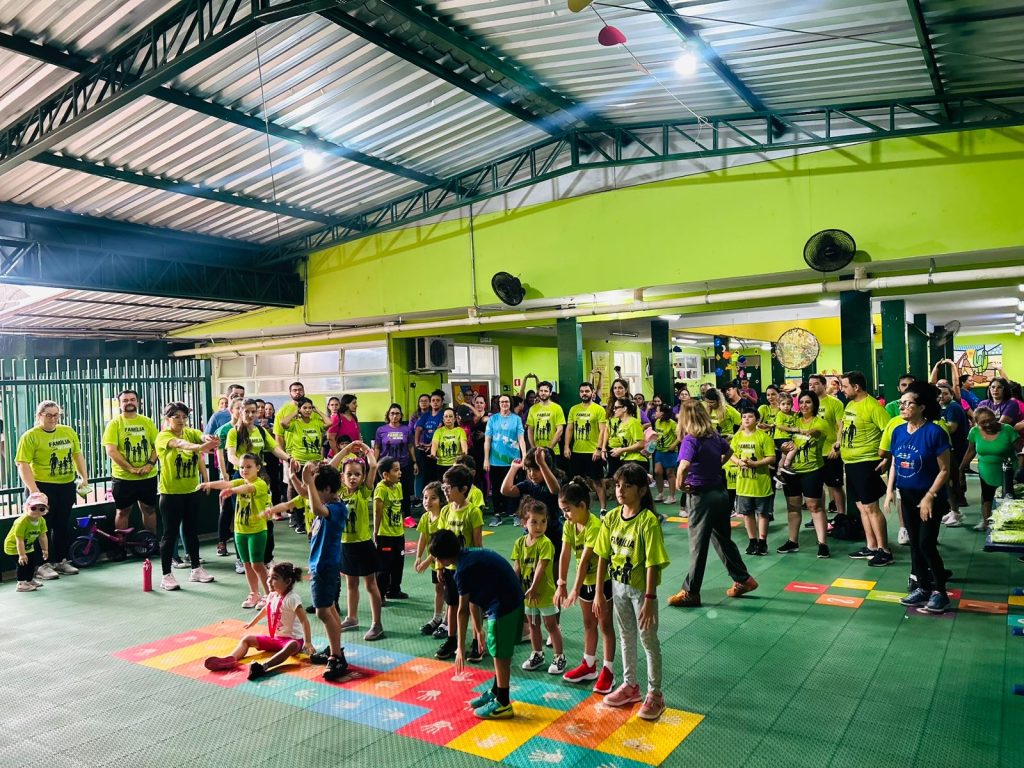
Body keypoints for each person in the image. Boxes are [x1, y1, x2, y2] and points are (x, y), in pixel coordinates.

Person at [593, 463, 670, 720]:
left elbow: (652, 561)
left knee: (648, 639)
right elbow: (603, 554)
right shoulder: (612, 517)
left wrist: (650, 598)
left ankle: (655, 693)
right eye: (617, 485)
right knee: (626, 636)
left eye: (627, 486)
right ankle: (630, 686)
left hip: (641, 591)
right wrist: (598, 594)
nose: (620, 490)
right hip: (618, 587)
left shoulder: (648, 522)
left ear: (641, 491)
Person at [669, 400, 758, 608]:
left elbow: (683, 468)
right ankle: (744, 580)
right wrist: (716, 465)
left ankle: (691, 592)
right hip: (720, 494)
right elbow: (729, 452)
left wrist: (681, 486)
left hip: (701, 497)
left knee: (698, 545)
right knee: (723, 540)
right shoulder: (715, 437)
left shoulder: (691, 440)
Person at [429, 528, 525, 720]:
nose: (437, 562)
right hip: (511, 600)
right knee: (499, 650)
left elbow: (462, 610)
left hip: (505, 605)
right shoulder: (468, 557)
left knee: (500, 654)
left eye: (436, 558)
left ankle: (503, 703)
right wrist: (479, 629)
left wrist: (460, 649)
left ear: (444, 558)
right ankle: (497, 691)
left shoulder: (462, 571)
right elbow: (473, 600)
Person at [885, 382, 952, 614]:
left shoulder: (935, 432)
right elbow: (895, 462)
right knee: (915, 544)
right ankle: (922, 587)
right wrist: (889, 491)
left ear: (922, 407)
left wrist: (930, 497)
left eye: (907, 403)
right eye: (901, 403)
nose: (902, 407)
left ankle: (940, 592)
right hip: (907, 495)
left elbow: (944, 470)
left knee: (926, 543)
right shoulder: (898, 431)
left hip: (930, 497)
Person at [15, 400, 89, 580]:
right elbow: (22, 463)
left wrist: (84, 477)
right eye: (49, 415)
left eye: (56, 415)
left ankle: (61, 561)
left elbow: (77, 455)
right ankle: (41, 565)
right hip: (42, 486)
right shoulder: (30, 436)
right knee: (41, 527)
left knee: (62, 525)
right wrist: (34, 491)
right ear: (39, 416)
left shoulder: (68, 431)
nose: (53, 419)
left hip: (65, 485)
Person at [555, 477, 615, 694]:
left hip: (602, 582)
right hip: (585, 583)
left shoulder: (595, 526)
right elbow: (565, 553)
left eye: (568, 509)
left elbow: (587, 560)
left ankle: (608, 670)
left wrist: (574, 588)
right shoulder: (570, 525)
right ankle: (589, 665)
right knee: (588, 623)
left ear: (582, 506)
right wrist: (561, 583)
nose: (565, 515)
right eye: (563, 510)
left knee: (605, 625)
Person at [204, 562, 315, 679]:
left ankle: (263, 666)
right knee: (247, 639)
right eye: (269, 577)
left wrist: (307, 642)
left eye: (274, 578)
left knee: (291, 645)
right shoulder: (272, 595)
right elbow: (267, 609)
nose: (269, 581)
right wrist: (253, 622)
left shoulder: (292, 598)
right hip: (276, 639)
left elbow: (304, 620)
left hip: (293, 641)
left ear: (287, 582)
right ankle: (230, 659)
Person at [155, 402, 218, 591]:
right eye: (176, 417)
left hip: (191, 492)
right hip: (171, 494)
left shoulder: (190, 431)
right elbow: (181, 444)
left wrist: (208, 438)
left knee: (191, 532)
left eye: (184, 417)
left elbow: (201, 436)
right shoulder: (163, 436)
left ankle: (196, 569)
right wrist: (201, 446)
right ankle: (166, 575)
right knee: (170, 534)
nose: (181, 420)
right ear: (167, 419)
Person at [227, 399, 296, 567]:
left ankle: (267, 558)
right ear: (240, 412)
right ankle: (241, 560)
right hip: (241, 479)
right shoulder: (233, 433)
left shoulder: (261, 431)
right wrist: (245, 468)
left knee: (266, 518)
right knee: (242, 520)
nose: (250, 415)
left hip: (261, 480)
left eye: (253, 411)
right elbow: (231, 455)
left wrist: (289, 458)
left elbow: (274, 449)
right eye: (247, 412)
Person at [298, 461, 349, 681]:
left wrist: (309, 481)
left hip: (325, 566)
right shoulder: (329, 503)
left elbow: (315, 506)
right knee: (330, 609)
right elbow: (309, 497)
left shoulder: (336, 509)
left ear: (327, 490)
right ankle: (335, 648)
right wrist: (296, 478)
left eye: (317, 488)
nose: (314, 493)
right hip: (322, 565)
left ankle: (336, 657)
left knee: (322, 612)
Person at [838, 371, 895, 566]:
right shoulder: (851, 404)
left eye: (844, 386)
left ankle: (884, 550)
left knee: (871, 507)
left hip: (866, 462)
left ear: (856, 387)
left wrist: (887, 458)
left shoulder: (873, 407)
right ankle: (871, 546)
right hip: (851, 463)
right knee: (861, 506)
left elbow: (890, 433)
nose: (841, 389)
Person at [200, 453, 271, 607]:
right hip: (240, 531)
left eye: (248, 467)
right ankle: (254, 594)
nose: (244, 470)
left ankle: (268, 595)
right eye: (241, 467)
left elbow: (247, 488)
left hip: (257, 531)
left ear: (258, 468)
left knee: (257, 565)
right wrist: (208, 484)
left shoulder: (260, 484)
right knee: (246, 564)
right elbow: (226, 483)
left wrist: (232, 491)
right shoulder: (239, 480)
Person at [328, 441, 382, 641]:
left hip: (363, 544)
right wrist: (346, 450)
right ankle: (352, 617)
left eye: (357, 474)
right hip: (345, 544)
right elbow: (330, 468)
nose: (352, 477)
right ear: (342, 477)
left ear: (362, 478)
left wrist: (366, 450)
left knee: (370, 584)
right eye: (349, 474)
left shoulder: (363, 492)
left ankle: (377, 623)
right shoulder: (338, 493)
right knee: (351, 583)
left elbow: (374, 466)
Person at [434, 464, 484, 660]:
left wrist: (477, 568)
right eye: (444, 487)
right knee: (452, 604)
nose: (445, 491)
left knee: (472, 606)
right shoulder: (446, 511)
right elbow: (438, 539)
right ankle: (452, 639)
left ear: (463, 489)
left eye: (449, 487)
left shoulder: (473, 512)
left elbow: (478, 544)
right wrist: (439, 564)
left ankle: (476, 641)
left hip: (468, 568)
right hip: (449, 568)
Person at [513, 499, 565, 675]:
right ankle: (537, 654)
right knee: (533, 624)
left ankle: (559, 657)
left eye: (543, 521)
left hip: (544, 593)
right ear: (524, 523)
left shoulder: (546, 544)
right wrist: (515, 587)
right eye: (533, 522)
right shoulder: (520, 543)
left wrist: (534, 588)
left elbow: (542, 567)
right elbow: (517, 567)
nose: (538, 526)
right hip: (528, 593)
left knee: (551, 626)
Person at [777, 392, 831, 558]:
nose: (804, 405)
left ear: (814, 404)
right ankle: (793, 541)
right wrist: (783, 447)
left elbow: (814, 432)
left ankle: (823, 544)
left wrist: (801, 431)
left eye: (808, 402)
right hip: (792, 471)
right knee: (792, 506)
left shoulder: (820, 422)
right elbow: (783, 438)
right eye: (801, 402)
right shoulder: (793, 420)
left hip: (812, 469)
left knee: (814, 506)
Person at [102, 390, 159, 533]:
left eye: (132, 399)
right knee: (122, 511)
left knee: (149, 509)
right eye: (125, 400)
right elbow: (111, 450)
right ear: (120, 404)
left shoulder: (147, 421)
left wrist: (150, 464)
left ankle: (151, 543)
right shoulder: (114, 424)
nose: (129, 403)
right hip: (123, 477)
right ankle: (121, 546)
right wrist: (130, 469)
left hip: (148, 475)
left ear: (138, 402)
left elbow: (157, 446)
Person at [500, 448, 563, 561]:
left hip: (553, 533)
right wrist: (513, 468)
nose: (532, 474)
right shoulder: (527, 485)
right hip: (530, 534)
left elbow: (555, 490)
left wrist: (542, 464)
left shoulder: (553, 482)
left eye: (536, 469)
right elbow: (505, 490)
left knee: (553, 569)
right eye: (529, 469)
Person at [961, 406, 1017, 531]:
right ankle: (987, 523)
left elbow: (1020, 450)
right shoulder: (974, 432)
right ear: (976, 423)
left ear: (995, 418)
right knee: (987, 496)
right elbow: (970, 451)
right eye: (983, 423)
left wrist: (1019, 471)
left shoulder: (1007, 430)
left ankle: (1009, 523)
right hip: (986, 469)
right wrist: (961, 469)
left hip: (1008, 470)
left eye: (990, 420)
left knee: (1008, 497)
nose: (988, 424)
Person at [730, 409, 776, 557]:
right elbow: (731, 455)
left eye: (750, 417)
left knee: (762, 513)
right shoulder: (737, 438)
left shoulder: (764, 437)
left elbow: (771, 457)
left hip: (761, 483)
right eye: (744, 417)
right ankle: (752, 540)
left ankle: (762, 541)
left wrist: (756, 464)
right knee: (746, 514)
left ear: (757, 420)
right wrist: (739, 462)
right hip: (743, 484)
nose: (747, 419)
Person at [278, 397, 326, 533]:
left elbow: (329, 423)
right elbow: (283, 423)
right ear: (300, 409)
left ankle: (317, 518)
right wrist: (296, 412)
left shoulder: (316, 422)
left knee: (317, 491)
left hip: (316, 462)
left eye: (310, 408)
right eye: (305, 408)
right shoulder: (295, 423)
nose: (308, 410)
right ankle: (299, 521)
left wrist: (317, 411)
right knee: (298, 491)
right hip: (300, 462)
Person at [564, 382, 609, 513]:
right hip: (577, 451)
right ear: (579, 393)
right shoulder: (574, 409)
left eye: (587, 391)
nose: (584, 393)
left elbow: (603, 430)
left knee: (598, 482)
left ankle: (603, 509)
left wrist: (599, 449)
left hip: (593, 452)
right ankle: (580, 508)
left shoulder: (599, 409)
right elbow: (570, 428)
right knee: (576, 483)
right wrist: (567, 446)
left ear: (592, 392)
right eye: (582, 391)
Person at [484, 394, 526, 526]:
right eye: (502, 402)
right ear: (498, 404)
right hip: (495, 461)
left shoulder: (517, 419)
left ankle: (515, 514)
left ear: (510, 403)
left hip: (514, 461)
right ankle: (497, 515)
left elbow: (521, 439)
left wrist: (524, 457)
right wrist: (486, 459)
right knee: (496, 488)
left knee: (514, 488)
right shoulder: (493, 419)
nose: (504, 404)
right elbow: (487, 440)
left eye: (507, 402)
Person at [808, 374, 847, 518]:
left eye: (816, 384)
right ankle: (819, 516)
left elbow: (841, 427)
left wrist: (837, 446)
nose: (812, 386)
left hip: (830, 451)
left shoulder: (835, 403)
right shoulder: (807, 403)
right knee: (817, 487)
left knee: (835, 486)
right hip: (813, 452)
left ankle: (841, 516)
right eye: (810, 384)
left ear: (824, 385)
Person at [413, 481, 446, 636]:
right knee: (438, 588)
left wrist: (427, 561)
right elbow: (423, 537)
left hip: (445, 561)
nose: (428, 501)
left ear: (441, 500)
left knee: (448, 591)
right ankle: (437, 618)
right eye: (425, 498)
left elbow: (440, 545)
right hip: (434, 563)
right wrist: (419, 556)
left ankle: (446, 621)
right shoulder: (426, 517)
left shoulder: (444, 516)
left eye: (433, 498)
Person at [213, 397, 243, 561]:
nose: (241, 411)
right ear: (231, 411)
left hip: (243, 474)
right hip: (229, 474)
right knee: (227, 509)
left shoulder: (247, 429)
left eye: (243, 408)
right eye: (238, 408)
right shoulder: (224, 430)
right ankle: (222, 541)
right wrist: (225, 475)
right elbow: (220, 454)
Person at [373, 457, 407, 601]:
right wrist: (376, 532)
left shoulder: (398, 486)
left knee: (398, 564)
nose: (399, 473)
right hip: (385, 535)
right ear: (385, 474)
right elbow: (378, 512)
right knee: (384, 567)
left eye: (399, 469)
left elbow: (399, 508)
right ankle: (380, 595)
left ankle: (394, 590)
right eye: (396, 470)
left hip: (398, 533)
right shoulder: (381, 489)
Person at [375, 404, 417, 518]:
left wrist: (414, 462)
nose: (394, 416)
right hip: (386, 466)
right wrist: (374, 464)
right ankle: (386, 514)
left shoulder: (406, 429)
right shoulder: (381, 430)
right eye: (392, 413)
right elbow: (377, 447)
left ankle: (407, 515)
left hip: (403, 465)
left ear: (401, 415)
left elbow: (410, 446)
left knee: (404, 491)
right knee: (386, 490)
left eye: (397, 413)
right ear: (388, 415)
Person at [5, 492, 50, 592]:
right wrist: (21, 554)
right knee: (22, 564)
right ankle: (21, 583)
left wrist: (45, 549)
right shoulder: (21, 522)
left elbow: (42, 536)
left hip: (28, 546)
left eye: (41, 509)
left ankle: (29, 580)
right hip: (14, 547)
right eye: (33, 508)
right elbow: (19, 539)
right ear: (26, 507)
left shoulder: (41, 521)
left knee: (31, 563)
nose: (37, 511)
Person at [938, 383, 968, 526]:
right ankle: (953, 509)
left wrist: (936, 426)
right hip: (947, 449)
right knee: (946, 482)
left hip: (956, 449)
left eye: (945, 393)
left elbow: (952, 428)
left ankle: (956, 512)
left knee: (951, 481)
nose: (942, 396)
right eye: (939, 393)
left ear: (951, 394)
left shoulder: (953, 407)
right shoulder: (942, 408)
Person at [604, 398, 646, 478]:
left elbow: (641, 444)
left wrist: (621, 450)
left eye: (616, 407)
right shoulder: (621, 425)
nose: (614, 410)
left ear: (625, 408)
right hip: (625, 460)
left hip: (636, 460)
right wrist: (618, 449)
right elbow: (627, 443)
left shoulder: (633, 422)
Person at [526, 380, 566, 454]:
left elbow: (560, 430)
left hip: (553, 451)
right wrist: (533, 448)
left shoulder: (557, 408)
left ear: (550, 393)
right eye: (541, 391)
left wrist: (549, 449)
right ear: (538, 392)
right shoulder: (532, 409)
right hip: (537, 451)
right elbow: (530, 429)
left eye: (546, 391)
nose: (543, 393)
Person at [415, 390, 446, 485]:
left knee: (438, 474)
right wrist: (417, 443)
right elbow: (418, 429)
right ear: (430, 402)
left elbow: (439, 431)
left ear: (442, 402)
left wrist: (431, 445)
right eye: (433, 400)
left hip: (439, 450)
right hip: (425, 449)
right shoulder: (426, 415)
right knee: (427, 474)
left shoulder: (444, 415)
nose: (435, 402)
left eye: (438, 400)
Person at [431, 407, 467, 473]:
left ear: (455, 419)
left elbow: (464, 444)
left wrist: (464, 453)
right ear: (443, 419)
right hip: (441, 465)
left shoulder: (460, 431)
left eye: (450, 416)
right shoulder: (438, 431)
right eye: (446, 416)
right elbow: (435, 444)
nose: (448, 418)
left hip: (456, 465)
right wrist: (433, 454)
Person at [410, 394, 431, 499]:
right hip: (418, 448)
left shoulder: (433, 415)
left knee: (430, 473)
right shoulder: (414, 417)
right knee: (419, 472)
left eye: (426, 400)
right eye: (421, 401)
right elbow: (410, 432)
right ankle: (418, 497)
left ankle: (431, 496)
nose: (423, 402)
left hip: (431, 447)